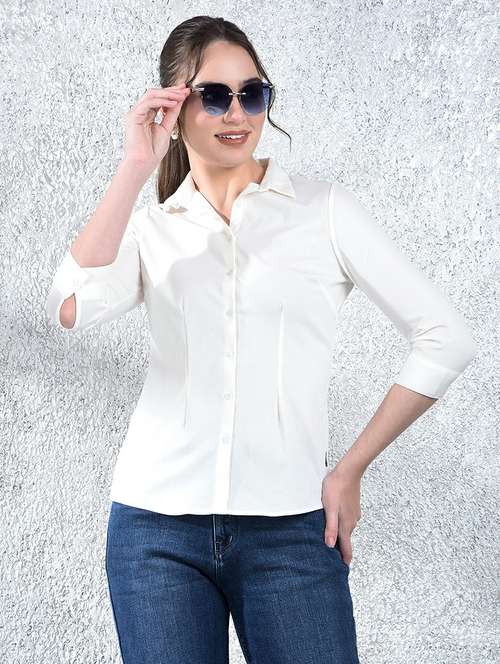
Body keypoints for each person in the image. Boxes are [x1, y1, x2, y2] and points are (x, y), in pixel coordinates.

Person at [45, 15, 478, 664]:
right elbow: (70, 305)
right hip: (153, 532)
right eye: (214, 95)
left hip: (291, 533)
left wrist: (351, 468)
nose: (237, 112)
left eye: (252, 93)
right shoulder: (153, 228)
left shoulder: (321, 211)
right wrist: (136, 165)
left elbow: (446, 337)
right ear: (174, 108)